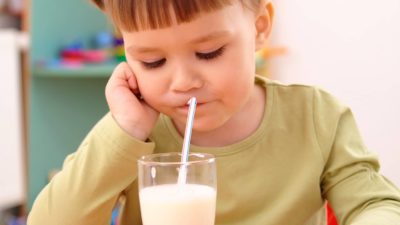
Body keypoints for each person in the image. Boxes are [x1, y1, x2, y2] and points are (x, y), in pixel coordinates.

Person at [27, 0, 400, 224]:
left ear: (259, 28)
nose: (183, 81)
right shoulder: (137, 136)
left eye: (209, 53)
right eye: (152, 61)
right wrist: (123, 132)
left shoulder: (316, 119)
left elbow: (376, 204)